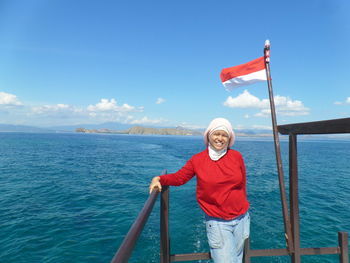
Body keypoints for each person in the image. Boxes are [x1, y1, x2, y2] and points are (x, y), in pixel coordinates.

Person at [149, 117, 250, 263]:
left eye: (224, 135)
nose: (220, 138)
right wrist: (159, 178)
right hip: (218, 222)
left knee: (238, 258)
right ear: (208, 135)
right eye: (216, 134)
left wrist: (243, 205)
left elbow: (242, 183)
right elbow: (179, 178)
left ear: (229, 138)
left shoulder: (236, 156)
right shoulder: (198, 160)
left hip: (242, 218)